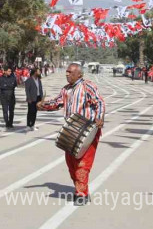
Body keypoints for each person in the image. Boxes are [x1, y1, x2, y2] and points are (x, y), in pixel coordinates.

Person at [38, 63, 106, 206]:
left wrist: (99, 117)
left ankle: (81, 193)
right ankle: (80, 188)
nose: (67, 74)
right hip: (71, 130)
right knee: (71, 163)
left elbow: (99, 102)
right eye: (67, 72)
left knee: (83, 163)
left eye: (70, 72)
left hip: (88, 130)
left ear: (79, 74)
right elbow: (57, 103)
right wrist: (43, 105)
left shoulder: (88, 86)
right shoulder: (66, 89)